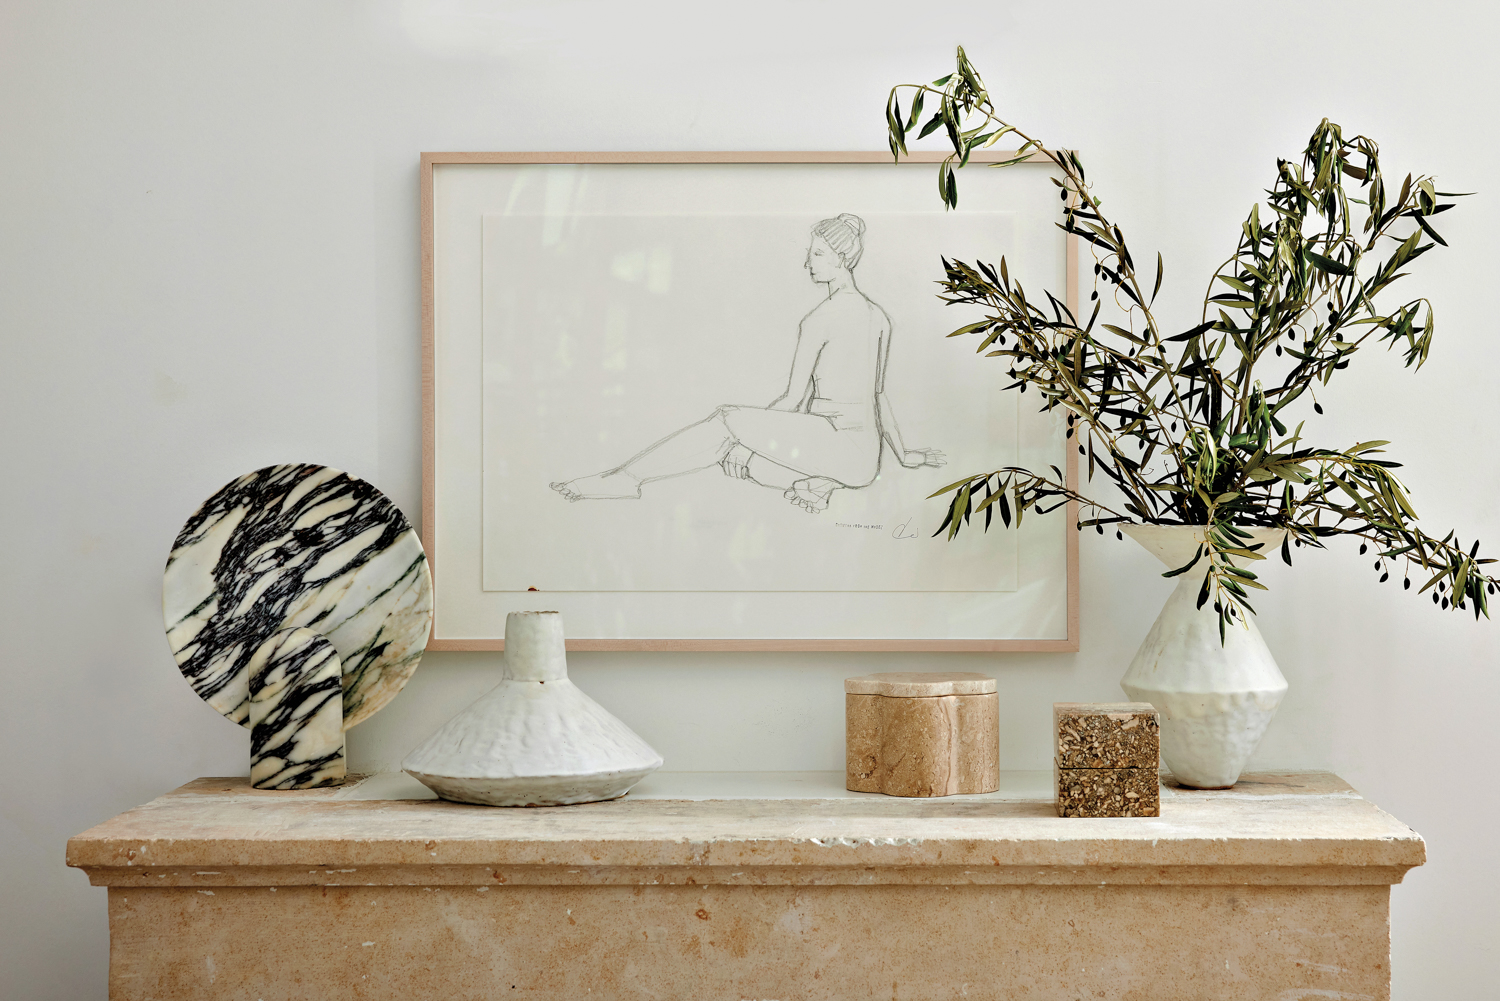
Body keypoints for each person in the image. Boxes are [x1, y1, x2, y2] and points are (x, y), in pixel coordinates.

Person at [550, 213, 944, 513]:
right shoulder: (879, 318)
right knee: (740, 460)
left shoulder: (819, 319)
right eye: (810, 252)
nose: (808, 262)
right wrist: (904, 455)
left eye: (818, 253)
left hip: (835, 442)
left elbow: (792, 399)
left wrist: (745, 435)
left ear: (843, 258)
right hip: (862, 462)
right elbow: (878, 397)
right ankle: (820, 483)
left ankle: (627, 478)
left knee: (725, 422)